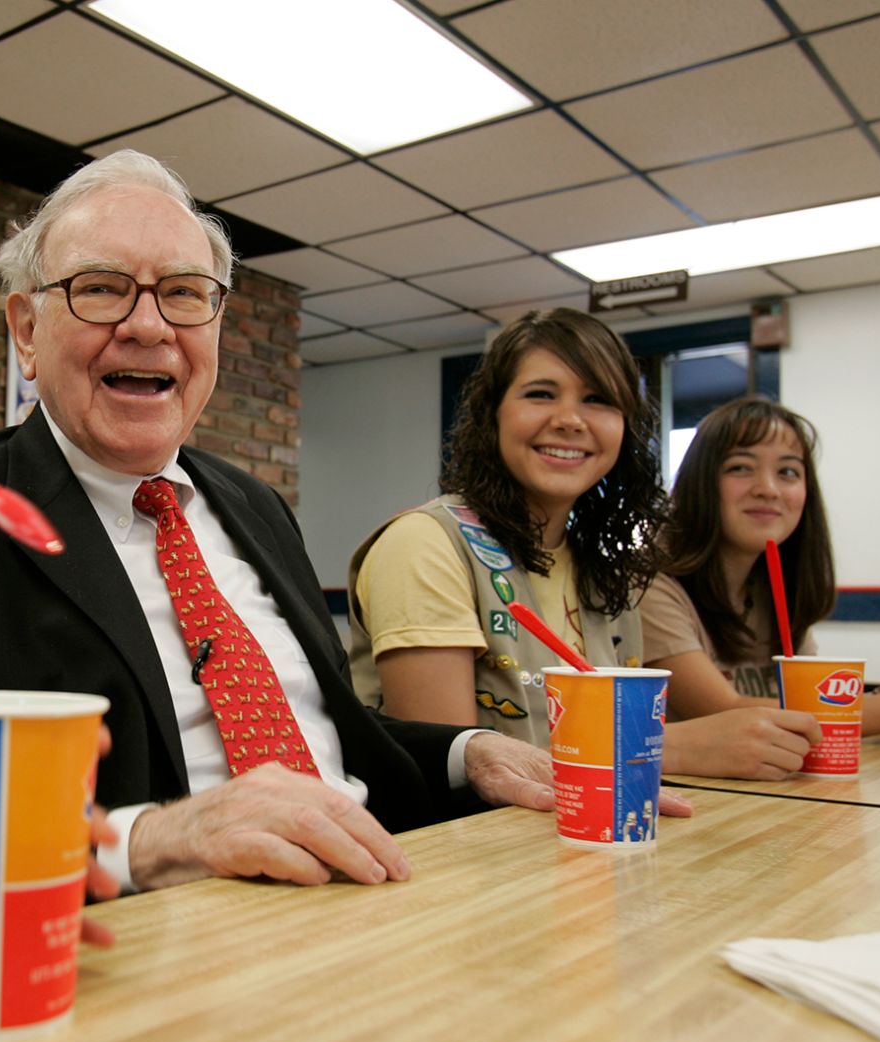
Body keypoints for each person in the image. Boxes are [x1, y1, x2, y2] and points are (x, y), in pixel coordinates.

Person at [0, 150, 599, 951]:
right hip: (148, 964)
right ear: (27, 331)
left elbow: (338, 743)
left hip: (378, 919)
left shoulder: (257, 506)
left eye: (184, 294)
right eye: (102, 289)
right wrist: (151, 839)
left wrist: (471, 754)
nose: (149, 325)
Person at [346, 309, 817, 780]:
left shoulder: (607, 570)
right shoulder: (423, 543)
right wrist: (671, 746)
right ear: (492, 416)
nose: (570, 419)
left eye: (598, 399)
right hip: (457, 847)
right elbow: (450, 763)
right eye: (540, 394)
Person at [641, 396, 880, 753]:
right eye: (740, 467)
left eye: (788, 472)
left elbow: (814, 699)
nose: (768, 489)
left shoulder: (776, 588)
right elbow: (727, 717)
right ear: (701, 483)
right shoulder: (650, 586)